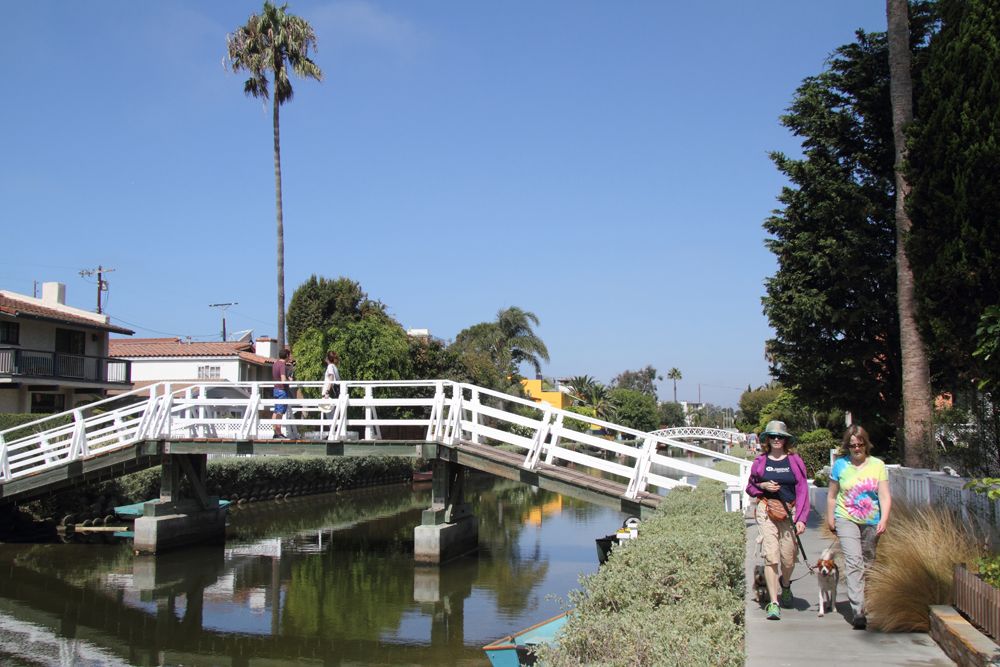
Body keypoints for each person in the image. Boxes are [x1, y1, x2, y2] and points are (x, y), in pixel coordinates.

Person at [826, 424, 891, 629]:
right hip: (846, 518)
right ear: (848, 446)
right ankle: (858, 610)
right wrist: (831, 518)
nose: (856, 448)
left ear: (866, 444)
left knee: (868, 562)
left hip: (872, 520)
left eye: (860, 444)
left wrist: (884, 519)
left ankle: (868, 599)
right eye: (853, 445)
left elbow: (884, 495)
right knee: (854, 562)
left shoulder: (878, 465)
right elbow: (831, 495)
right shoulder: (840, 466)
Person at [746, 420, 810, 621]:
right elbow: (750, 487)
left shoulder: (795, 461)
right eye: (772, 436)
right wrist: (763, 486)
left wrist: (801, 518)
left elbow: (802, 491)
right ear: (767, 439)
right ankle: (774, 603)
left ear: (785, 440)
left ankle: (786, 584)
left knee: (788, 557)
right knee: (771, 555)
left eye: (780, 437)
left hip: (788, 512)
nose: (776, 440)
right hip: (767, 510)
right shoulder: (760, 462)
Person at [271, 348, 291, 438]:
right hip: (282, 390)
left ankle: (275, 432)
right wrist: (289, 380)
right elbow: (283, 379)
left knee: (276, 411)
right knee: (280, 412)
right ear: (287, 355)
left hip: (275, 389)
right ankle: (278, 433)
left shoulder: (275, 364)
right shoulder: (282, 365)